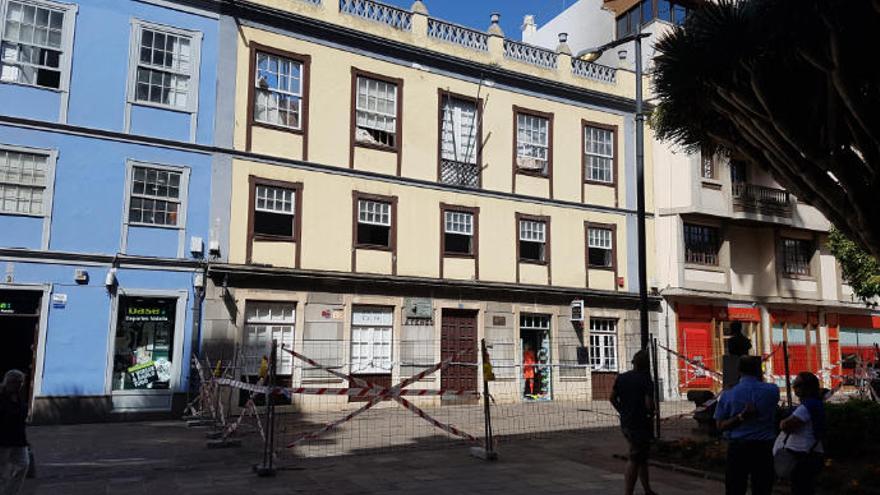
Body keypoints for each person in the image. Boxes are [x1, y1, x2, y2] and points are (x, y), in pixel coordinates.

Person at [714, 356, 779, 495]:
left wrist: (740, 417)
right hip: (764, 447)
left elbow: (720, 425)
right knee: (762, 488)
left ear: (739, 371)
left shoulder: (729, 394)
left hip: (738, 447)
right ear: (759, 371)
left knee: (735, 488)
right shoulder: (772, 390)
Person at [610, 350, 657, 495]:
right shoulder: (646, 380)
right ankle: (628, 492)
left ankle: (647, 489)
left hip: (626, 422)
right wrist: (652, 411)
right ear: (647, 365)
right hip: (640, 423)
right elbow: (649, 404)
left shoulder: (622, 377)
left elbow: (612, 398)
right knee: (635, 458)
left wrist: (622, 411)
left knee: (641, 457)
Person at [778, 372, 825, 495]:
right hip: (810, 453)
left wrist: (782, 422)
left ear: (807, 388)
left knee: (801, 488)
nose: (794, 388)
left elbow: (787, 426)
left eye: (797, 385)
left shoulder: (807, 407)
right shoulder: (815, 404)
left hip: (803, 455)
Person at [0, 370, 29, 495]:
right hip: (3, 440)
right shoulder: (2, 397)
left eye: (21, 383)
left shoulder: (18, 397)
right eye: (18, 383)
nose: (21, 385)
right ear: (10, 382)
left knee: (24, 464)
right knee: (1, 472)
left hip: (18, 440)